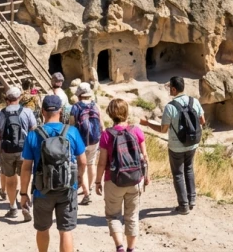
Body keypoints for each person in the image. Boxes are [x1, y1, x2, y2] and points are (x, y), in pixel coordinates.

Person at [20, 95, 88, 252]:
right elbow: (83, 161)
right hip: (67, 188)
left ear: (42, 111)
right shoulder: (72, 132)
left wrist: (24, 193)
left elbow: (26, 168)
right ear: (61, 111)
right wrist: (79, 179)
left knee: (42, 229)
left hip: (42, 190)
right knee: (65, 231)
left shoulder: (33, 135)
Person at [141, 76, 205, 214]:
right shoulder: (194, 101)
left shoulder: (170, 107)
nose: (169, 90)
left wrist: (147, 124)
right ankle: (191, 199)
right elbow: (202, 120)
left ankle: (183, 206)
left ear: (174, 89)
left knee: (178, 174)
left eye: (170, 87)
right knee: (189, 169)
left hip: (176, 146)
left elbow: (163, 130)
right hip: (193, 143)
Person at [96, 98, 148, 252]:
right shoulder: (136, 131)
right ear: (126, 112)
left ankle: (120, 247)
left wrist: (98, 181)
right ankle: (131, 249)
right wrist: (147, 176)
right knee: (132, 216)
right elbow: (145, 156)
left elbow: (102, 162)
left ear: (110, 114)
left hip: (113, 180)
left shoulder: (106, 135)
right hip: (135, 179)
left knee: (113, 216)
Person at [0, 86, 37, 219]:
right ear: (20, 98)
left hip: (6, 151)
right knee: (25, 178)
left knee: (11, 180)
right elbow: (34, 132)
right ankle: (25, 204)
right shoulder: (27, 112)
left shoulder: (0, 114)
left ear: (6, 99)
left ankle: (13, 207)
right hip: (25, 151)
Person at [69, 82, 101, 205]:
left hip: (80, 140)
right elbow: (101, 123)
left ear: (79, 95)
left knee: (81, 167)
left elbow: (72, 125)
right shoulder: (95, 106)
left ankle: (87, 193)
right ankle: (90, 187)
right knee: (91, 163)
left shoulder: (76, 107)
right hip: (94, 139)